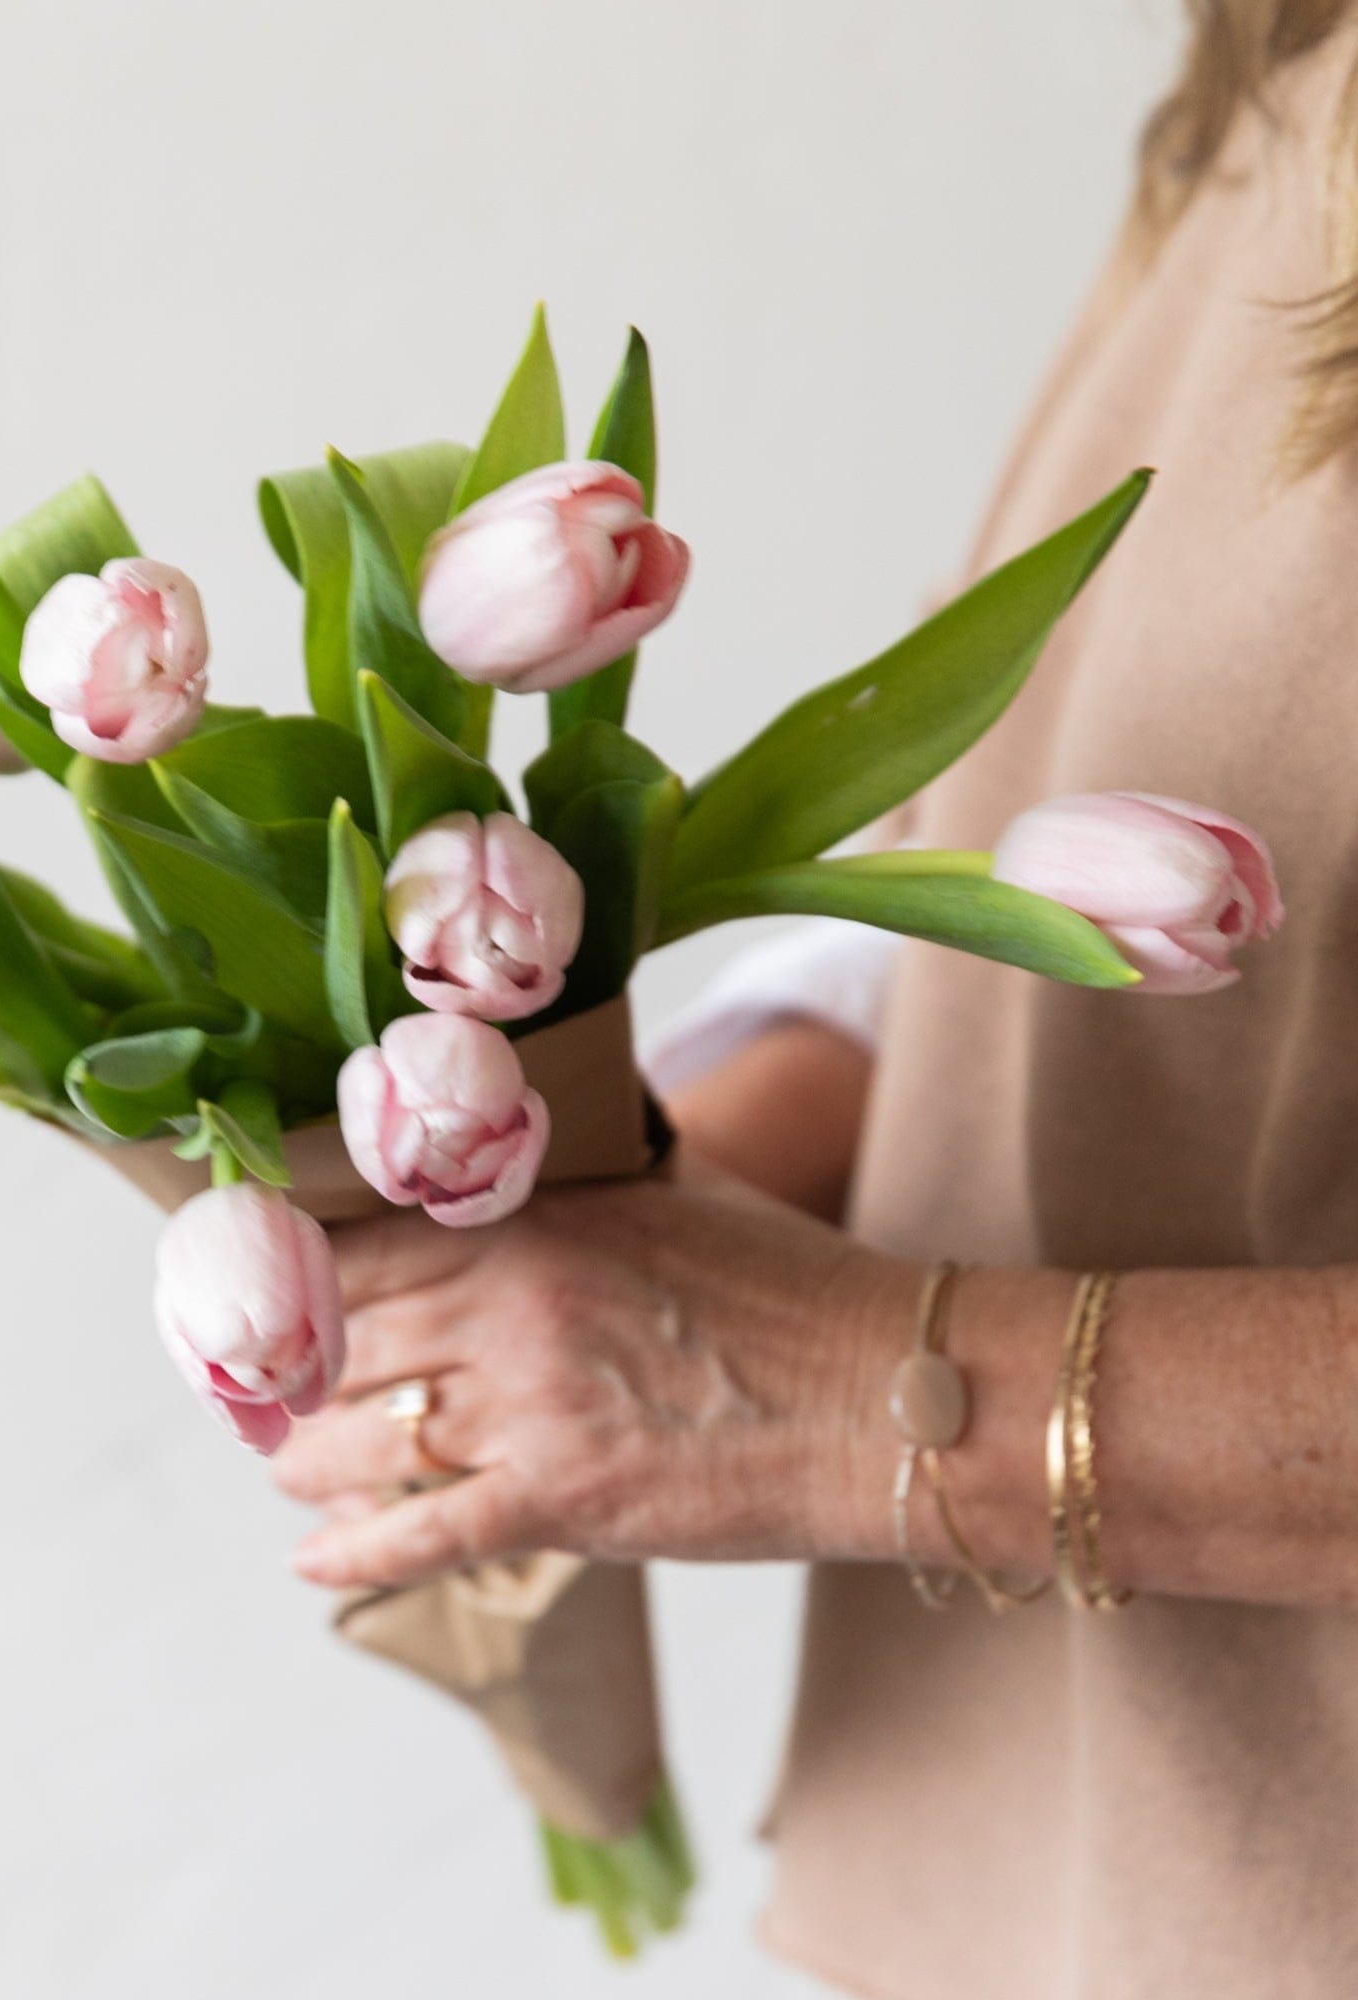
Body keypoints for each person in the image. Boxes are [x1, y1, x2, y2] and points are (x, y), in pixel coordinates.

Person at [272, 7, 1358, 1996]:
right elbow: (1051, 867)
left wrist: (852, 1392)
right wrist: (611, 1208)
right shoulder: (1272, 81)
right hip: (1056, 1834)